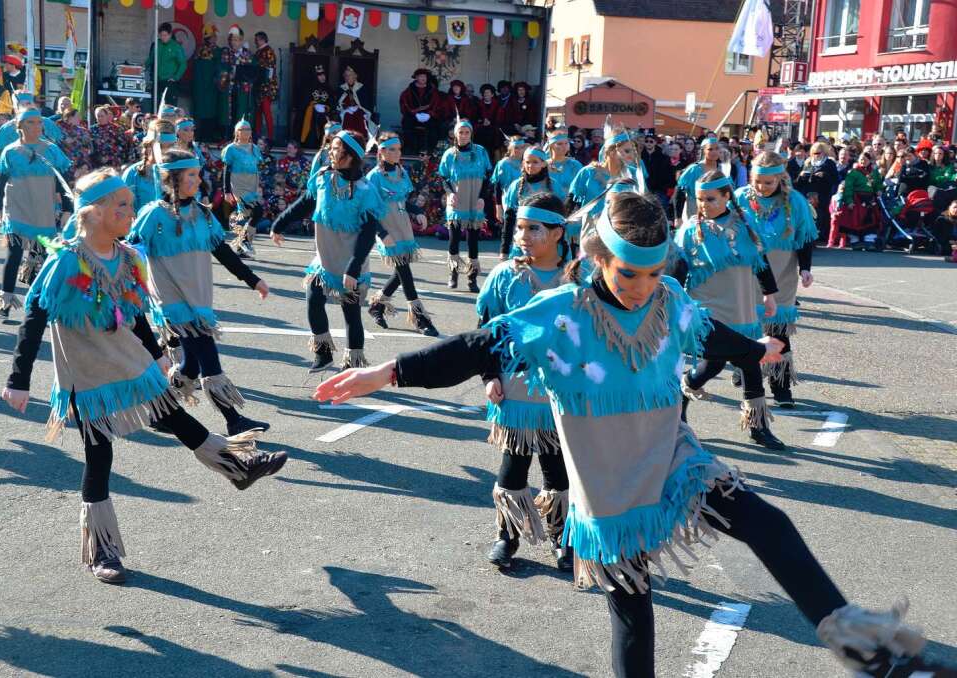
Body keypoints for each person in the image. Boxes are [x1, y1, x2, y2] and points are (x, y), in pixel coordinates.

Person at [315, 189, 952, 678]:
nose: (643, 288)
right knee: (631, 602)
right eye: (628, 274)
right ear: (595, 256)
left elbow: (709, 334)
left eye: (652, 274)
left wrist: (756, 348)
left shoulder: (670, 298)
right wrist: (385, 373)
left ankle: (857, 641)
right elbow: (474, 348)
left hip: (672, 458)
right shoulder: (558, 314)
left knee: (767, 521)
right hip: (608, 482)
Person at [3, 169, 286, 585]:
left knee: (174, 416)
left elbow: (135, 317)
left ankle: (238, 467)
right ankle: (103, 551)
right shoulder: (66, 261)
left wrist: (160, 359)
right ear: (94, 212)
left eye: (131, 205)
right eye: (121, 206)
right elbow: (35, 316)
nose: (130, 212)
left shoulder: (129, 259)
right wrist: (19, 377)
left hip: (131, 364)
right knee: (99, 459)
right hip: (88, 377)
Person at [129, 149, 270, 436]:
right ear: (173, 178)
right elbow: (131, 252)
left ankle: (160, 410)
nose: (198, 179)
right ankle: (234, 420)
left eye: (197, 174)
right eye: (191, 175)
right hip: (173, 302)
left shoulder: (203, 214)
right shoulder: (153, 214)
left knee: (191, 365)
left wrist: (252, 279)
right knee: (209, 360)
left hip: (199, 300)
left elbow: (222, 250)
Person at [477, 192, 575, 570]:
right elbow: (485, 332)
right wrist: (489, 376)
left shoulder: (577, 277)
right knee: (513, 467)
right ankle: (507, 536)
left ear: (557, 232)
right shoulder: (505, 276)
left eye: (534, 228)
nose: (524, 235)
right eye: (520, 227)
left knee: (558, 471)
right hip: (514, 386)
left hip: (562, 391)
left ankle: (562, 538)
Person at [671, 171, 785, 450]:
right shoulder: (689, 230)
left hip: (741, 306)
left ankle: (757, 425)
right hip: (706, 309)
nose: (704, 204)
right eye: (699, 199)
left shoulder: (745, 226)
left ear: (726, 197)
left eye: (710, 199)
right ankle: (685, 394)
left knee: (743, 363)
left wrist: (769, 296)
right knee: (719, 360)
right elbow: (676, 270)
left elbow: (761, 262)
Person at [271, 130, 385, 371]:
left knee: (351, 314)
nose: (330, 152)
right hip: (324, 261)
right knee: (313, 300)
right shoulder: (323, 178)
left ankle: (352, 364)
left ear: (350, 155)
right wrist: (278, 224)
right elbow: (304, 204)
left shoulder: (366, 191)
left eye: (335, 148)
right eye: (331, 147)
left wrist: (353, 268)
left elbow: (367, 235)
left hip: (350, 264)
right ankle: (323, 354)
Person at [736, 151, 817, 408]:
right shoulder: (739, 199)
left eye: (768, 183)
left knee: (778, 331)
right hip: (746, 273)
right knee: (747, 330)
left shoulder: (795, 202)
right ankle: (747, 379)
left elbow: (805, 238)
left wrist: (805, 268)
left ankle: (781, 387)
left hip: (781, 272)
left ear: (780, 179)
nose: (761, 187)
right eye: (757, 181)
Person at [0, 108, 73, 321]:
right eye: (31, 122)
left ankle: (41, 303)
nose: (37, 126)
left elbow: (63, 182)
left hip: (43, 209)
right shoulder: (10, 151)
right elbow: (1, 181)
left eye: (39, 122)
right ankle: (5, 302)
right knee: (14, 253)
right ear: (20, 126)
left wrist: (67, 209)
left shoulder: (52, 150)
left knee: (43, 257)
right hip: (16, 207)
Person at [366, 132, 439, 337]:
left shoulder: (402, 171)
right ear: (381, 152)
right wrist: (382, 233)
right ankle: (420, 318)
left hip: (403, 225)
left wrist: (417, 212)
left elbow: (403, 201)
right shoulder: (374, 176)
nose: (397, 153)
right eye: (392, 149)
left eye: (398, 149)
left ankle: (377, 305)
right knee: (405, 275)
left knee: (400, 272)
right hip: (387, 228)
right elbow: (369, 209)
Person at [438, 118, 493, 291]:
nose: (463, 135)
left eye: (466, 132)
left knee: (473, 242)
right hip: (456, 200)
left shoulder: (481, 152)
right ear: (455, 134)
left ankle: (472, 278)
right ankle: (453, 273)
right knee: (454, 240)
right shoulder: (449, 154)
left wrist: (483, 197)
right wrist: (450, 193)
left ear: (471, 134)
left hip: (475, 200)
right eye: (460, 132)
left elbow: (488, 177)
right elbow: (443, 177)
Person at [500, 147, 566, 259]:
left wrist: (561, 245)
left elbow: (561, 220)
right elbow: (509, 218)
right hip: (522, 243)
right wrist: (504, 249)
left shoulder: (554, 186)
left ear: (544, 164)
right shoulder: (516, 186)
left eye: (535, 162)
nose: (530, 166)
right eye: (527, 162)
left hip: (546, 243)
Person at [221, 117, 264, 259]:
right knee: (258, 210)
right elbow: (226, 170)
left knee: (246, 214)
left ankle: (240, 248)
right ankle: (245, 240)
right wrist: (226, 191)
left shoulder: (255, 148)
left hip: (252, 183)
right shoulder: (231, 149)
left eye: (248, 129)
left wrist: (259, 186)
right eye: (242, 129)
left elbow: (257, 169)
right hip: (238, 184)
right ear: (237, 132)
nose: (246, 132)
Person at [121, 118, 176, 214]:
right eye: (161, 147)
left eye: (171, 147)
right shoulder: (132, 173)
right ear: (149, 145)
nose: (166, 152)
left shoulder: (179, 172)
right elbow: (124, 209)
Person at [832, 151, 883, 250]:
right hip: (857, 200)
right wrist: (849, 201)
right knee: (855, 221)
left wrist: (879, 190)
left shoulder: (874, 172)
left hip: (870, 200)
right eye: (861, 159)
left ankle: (869, 242)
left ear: (870, 161)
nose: (863, 161)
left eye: (865, 159)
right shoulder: (853, 172)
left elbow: (878, 184)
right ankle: (855, 242)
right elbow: (848, 187)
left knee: (870, 220)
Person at [794, 141, 839, 242]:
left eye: (819, 153)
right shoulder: (808, 162)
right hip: (808, 193)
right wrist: (801, 176)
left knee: (821, 215)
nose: (816, 155)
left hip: (823, 193)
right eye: (814, 153)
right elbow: (798, 183)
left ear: (824, 152)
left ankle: (820, 235)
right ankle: (808, 235)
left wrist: (825, 175)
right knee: (808, 214)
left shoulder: (829, 163)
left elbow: (835, 180)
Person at [218, 25, 254, 139]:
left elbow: (251, 71)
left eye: (237, 40)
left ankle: (240, 135)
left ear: (241, 40)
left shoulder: (247, 53)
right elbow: (222, 68)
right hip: (228, 87)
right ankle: (227, 136)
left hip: (242, 89)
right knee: (228, 112)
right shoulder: (225, 52)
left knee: (241, 111)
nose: (234, 43)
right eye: (232, 39)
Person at [674, 137, 721, 224]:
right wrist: (678, 217)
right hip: (695, 211)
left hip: (717, 213)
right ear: (703, 151)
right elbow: (679, 193)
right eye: (710, 149)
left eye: (717, 149)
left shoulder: (722, 169)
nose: (714, 152)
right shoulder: (693, 169)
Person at [189, 24, 221, 142]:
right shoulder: (205, 51)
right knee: (203, 112)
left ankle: (207, 135)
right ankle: (203, 136)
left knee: (209, 112)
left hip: (209, 89)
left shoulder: (214, 50)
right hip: (204, 88)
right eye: (213, 36)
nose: (215, 38)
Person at [145, 22, 187, 111]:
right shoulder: (157, 44)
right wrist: (142, 68)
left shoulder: (176, 47)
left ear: (170, 34)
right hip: (157, 80)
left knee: (170, 108)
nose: (163, 37)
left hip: (170, 81)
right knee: (155, 105)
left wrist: (176, 77)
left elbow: (183, 64)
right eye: (161, 35)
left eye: (165, 35)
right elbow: (151, 59)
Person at [399, 68, 441, 155]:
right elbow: (404, 104)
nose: (423, 78)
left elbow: (437, 104)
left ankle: (430, 152)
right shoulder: (408, 91)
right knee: (407, 125)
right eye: (421, 76)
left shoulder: (433, 91)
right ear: (416, 77)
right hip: (412, 116)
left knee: (434, 128)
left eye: (425, 77)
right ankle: (411, 150)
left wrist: (429, 114)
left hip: (429, 116)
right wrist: (414, 113)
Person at [491, 135, 528, 228]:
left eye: (522, 148)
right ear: (510, 148)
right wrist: (498, 207)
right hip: (509, 201)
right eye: (516, 148)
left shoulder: (528, 162)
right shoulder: (503, 164)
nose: (519, 150)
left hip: (526, 201)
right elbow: (498, 187)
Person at [298, 64, 332, 149]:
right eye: (319, 75)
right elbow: (305, 102)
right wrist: (313, 105)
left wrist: (326, 107)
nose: (322, 77)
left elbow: (332, 102)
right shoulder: (309, 88)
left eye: (323, 74)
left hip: (325, 114)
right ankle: (311, 143)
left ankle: (324, 143)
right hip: (311, 113)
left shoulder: (328, 88)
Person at [252, 31, 278, 139]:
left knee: (266, 112)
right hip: (259, 86)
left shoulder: (268, 51)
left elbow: (270, 70)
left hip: (266, 87)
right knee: (258, 112)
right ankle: (257, 135)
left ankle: (271, 137)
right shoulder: (259, 51)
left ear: (262, 39)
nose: (255, 42)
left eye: (256, 39)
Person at [90, 105, 132, 170]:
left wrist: (110, 157)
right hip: (98, 164)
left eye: (102, 116)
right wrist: (99, 158)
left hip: (114, 164)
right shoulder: (92, 130)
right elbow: (90, 147)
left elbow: (123, 146)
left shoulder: (117, 128)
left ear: (107, 116)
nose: (100, 118)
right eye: (98, 116)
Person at [337, 66, 373, 144]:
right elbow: (338, 103)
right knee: (347, 116)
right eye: (346, 75)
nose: (348, 77)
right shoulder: (341, 88)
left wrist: (358, 107)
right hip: (346, 111)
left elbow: (366, 103)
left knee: (361, 117)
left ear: (355, 76)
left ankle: (361, 141)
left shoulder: (362, 88)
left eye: (350, 75)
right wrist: (346, 107)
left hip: (360, 110)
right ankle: (345, 140)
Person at [545, 128, 583, 198]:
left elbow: (581, 187)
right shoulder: (544, 165)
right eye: (559, 144)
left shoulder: (575, 165)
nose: (564, 146)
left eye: (566, 143)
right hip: (548, 204)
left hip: (569, 205)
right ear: (551, 146)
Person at [57, 108, 94, 177]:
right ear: (70, 117)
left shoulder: (80, 129)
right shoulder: (59, 128)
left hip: (83, 163)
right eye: (77, 116)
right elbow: (67, 141)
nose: (80, 118)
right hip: (69, 164)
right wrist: (78, 137)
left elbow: (89, 145)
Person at [640, 133, 672, 209]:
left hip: (659, 191)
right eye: (646, 141)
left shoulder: (663, 157)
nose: (648, 143)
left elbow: (667, 174)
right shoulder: (640, 156)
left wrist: (664, 188)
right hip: (644, 189)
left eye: (651, 141)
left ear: (655, 142)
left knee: (661, 213)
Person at [473, 84, 503, 159]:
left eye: (488, 93)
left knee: (493, 140)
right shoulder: (478, 104)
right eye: (484, 93)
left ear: (492, 94)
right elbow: (474, 117)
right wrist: (482, 121)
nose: (486, 94)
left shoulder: (497, 105)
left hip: (493, 128)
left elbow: (500, 118)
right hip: (481, 128)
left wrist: (490, 123)